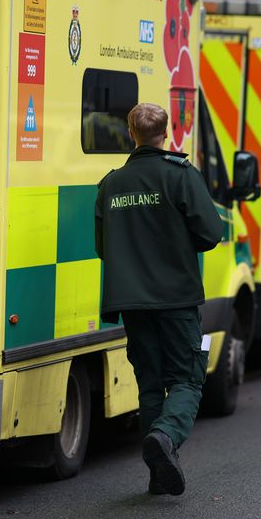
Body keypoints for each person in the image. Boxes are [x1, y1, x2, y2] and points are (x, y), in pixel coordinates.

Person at [94, 102, 222, 496]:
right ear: (165, 133)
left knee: (150, 384)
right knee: (186, 379)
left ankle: (158, 473)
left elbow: (104, 247)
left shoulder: (111, 184)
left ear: (131, 134)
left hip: (133, 303)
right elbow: (210, 233)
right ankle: (165, 436)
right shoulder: (181, 175)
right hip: (176, 299)